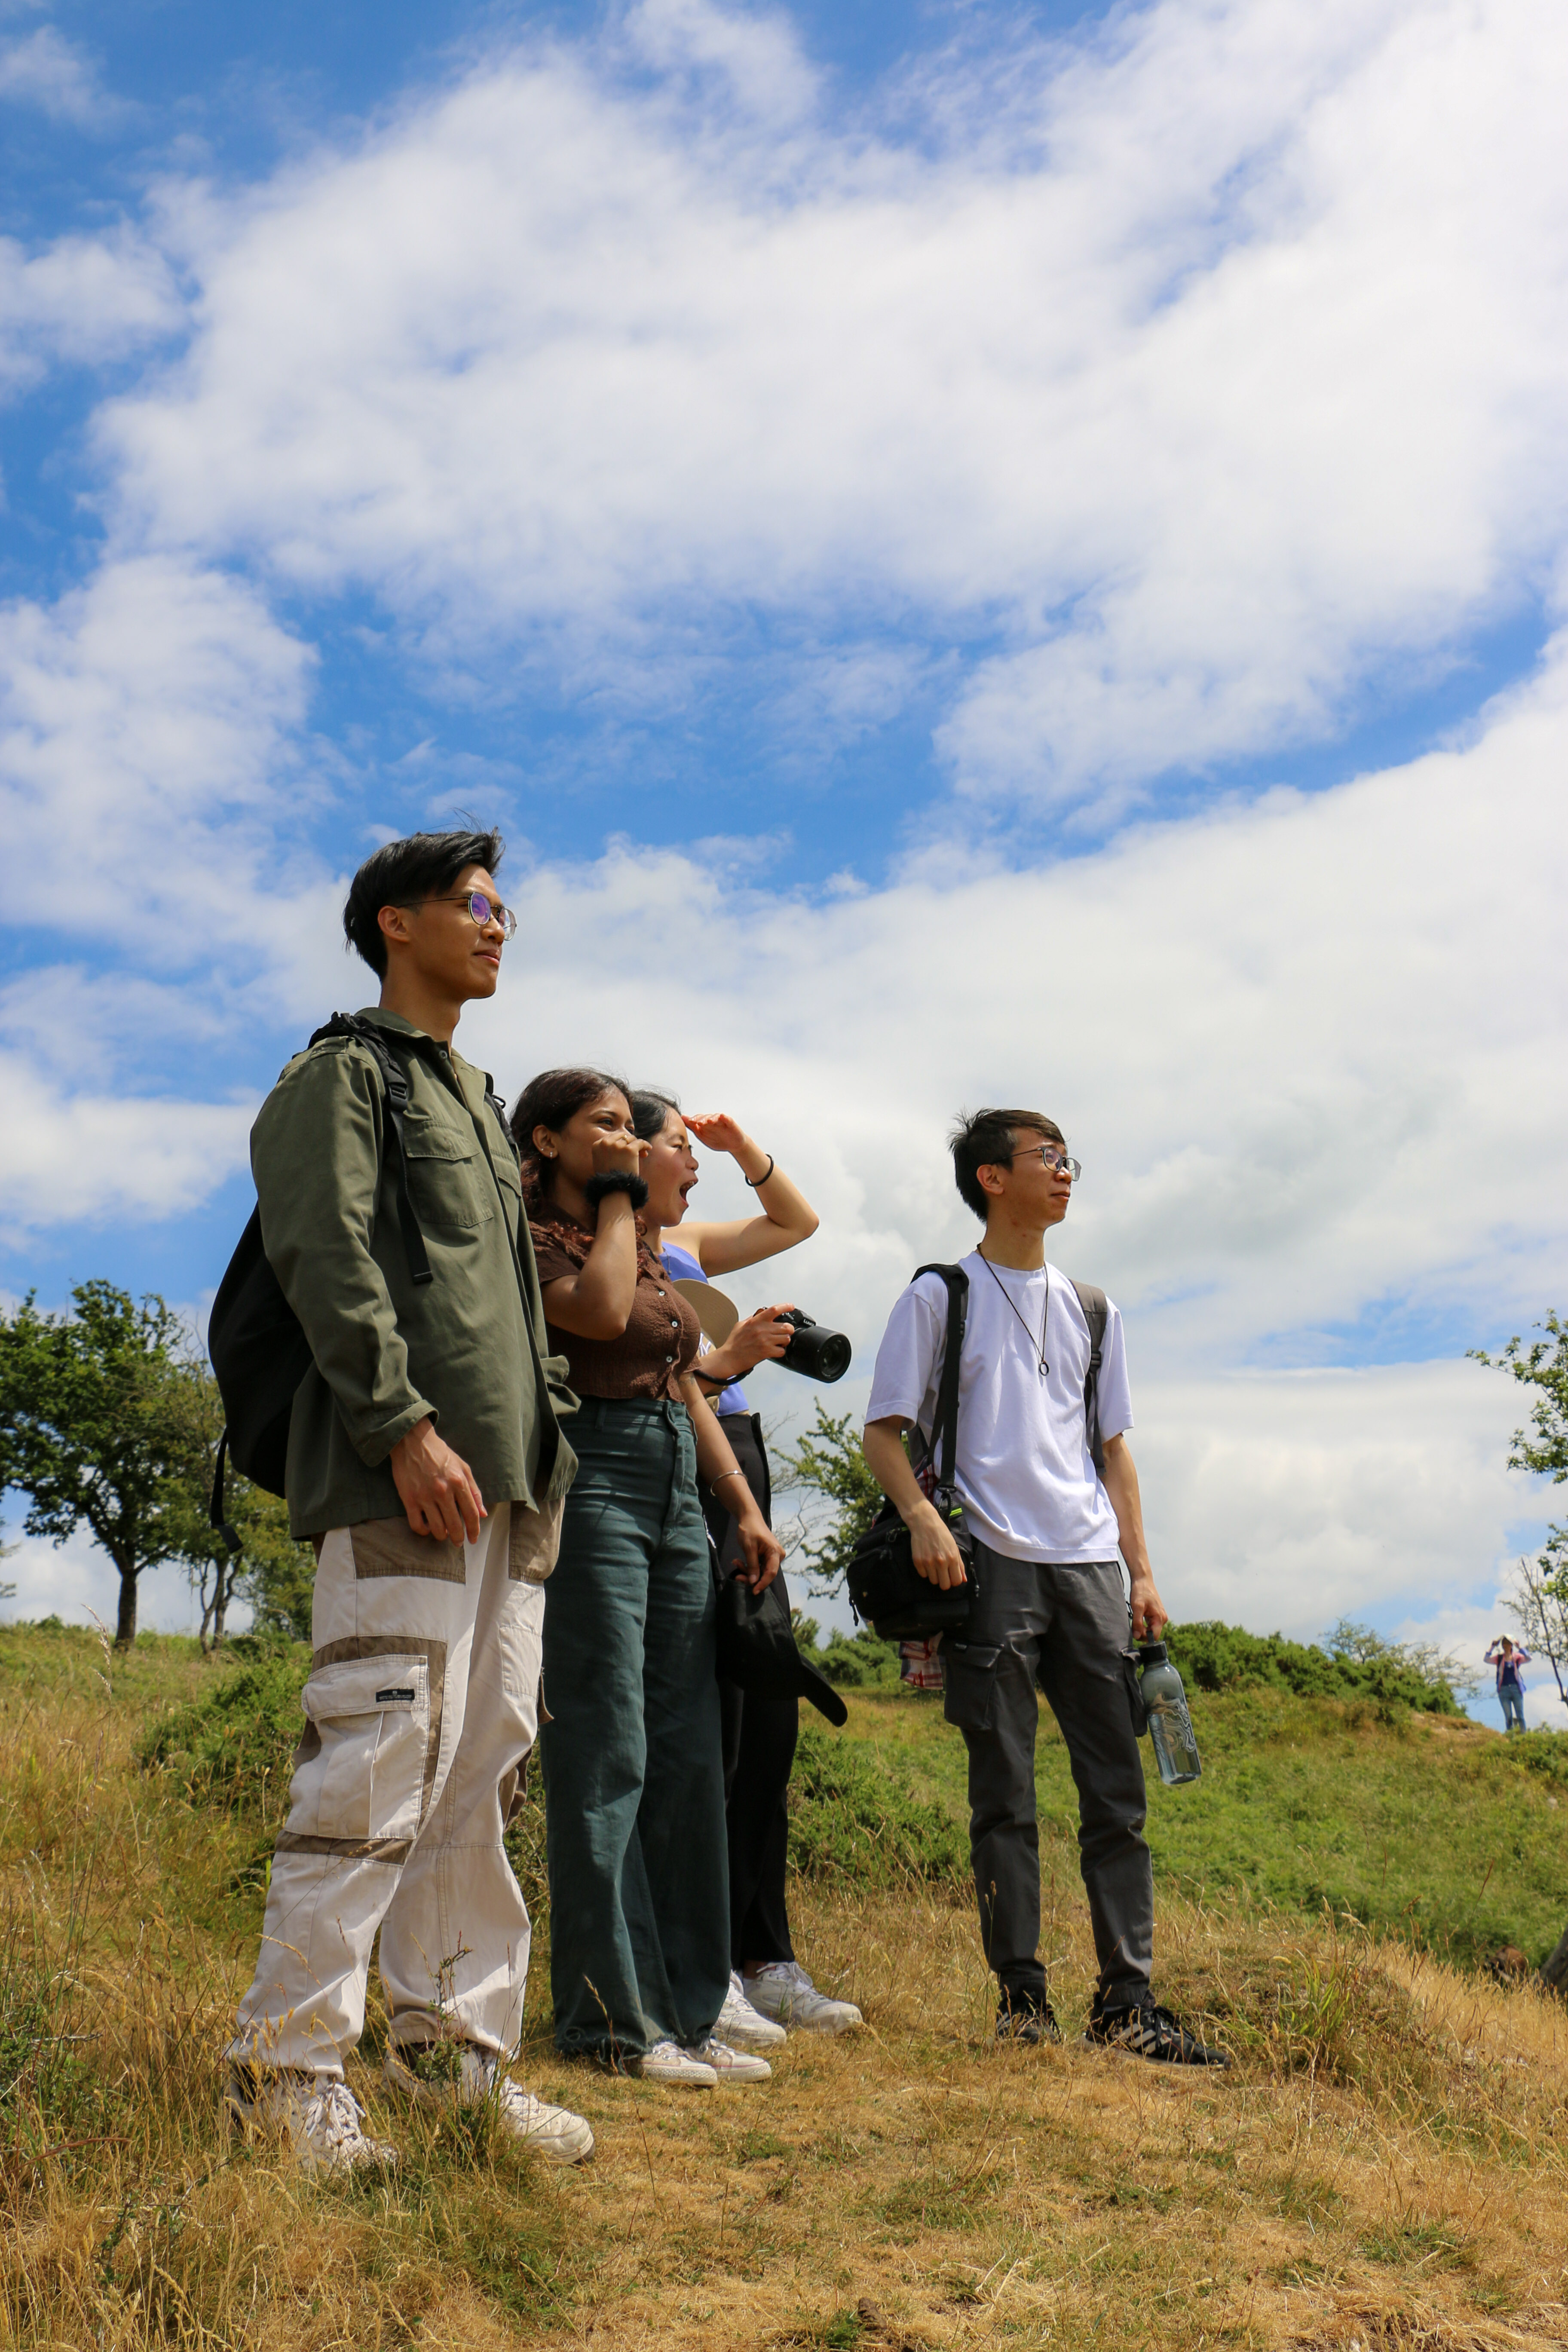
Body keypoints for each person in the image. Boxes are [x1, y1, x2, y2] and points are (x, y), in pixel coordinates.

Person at [225, 828, 594, 2173]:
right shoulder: (343, 1075)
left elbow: (517, 1314)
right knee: (375, 1766)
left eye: (504, 909)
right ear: (396, 922)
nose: (497, 924)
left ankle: (452, 2064)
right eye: (473, 903)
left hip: (512, 1498)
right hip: (404, 1480)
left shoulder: (480, 1104)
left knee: (476, 1778)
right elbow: (324, 1255)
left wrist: (547, 1452)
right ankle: (284, 2077)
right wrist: (401, 1428)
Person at [861, 1108, 1228, 2065]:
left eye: (1071, 1159)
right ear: (992, 1177)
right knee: (1004, 1793)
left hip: (1090, 1567)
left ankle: (1128, 2003)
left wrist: (1141, 1570)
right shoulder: (940, 1295)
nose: (1066, 1172)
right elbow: (882, 1432)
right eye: (1048, 1157)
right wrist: (924, 1519)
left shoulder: (1094, 1307)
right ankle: (1022, 1999)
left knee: (1118, 1794)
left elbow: (1114, 1451)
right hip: (990, 1564)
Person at [515, 1069, 786, 2089]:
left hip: (675, 1482)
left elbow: (680, 1376)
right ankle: (608, 2021)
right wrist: (624, 1199)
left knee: (686, 1750)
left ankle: (688, 2008)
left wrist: (739, 1503)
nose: (628, 1140)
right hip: (594, 1480)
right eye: (607, 1124)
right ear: (546, 1141)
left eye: (634, 1127)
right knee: (607, 1745)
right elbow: (597, 1316)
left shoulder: (634, 1239)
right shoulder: (537, 1239)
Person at [631, 1090, 864, 2043]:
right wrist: (725, 1359)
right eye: (679, 1146)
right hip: (672, 1470)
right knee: (703, 1729)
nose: (692, 1162)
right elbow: (643, 1382)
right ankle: (700, 1964)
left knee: (767, 1716)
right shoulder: (604, 1256)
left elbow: (795, 1221)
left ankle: (764, 1957)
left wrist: (742, 1149)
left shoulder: (685, 1244)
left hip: (739, 1469)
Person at [1485, 1636, 1531, 1733]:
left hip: (1516, 1689)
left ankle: (1524, 1735)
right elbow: (1486, 1660)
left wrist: (1520, 1647)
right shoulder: (1499, 1658)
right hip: (1504, 1690)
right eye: (1504, 1644)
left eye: (1508, 1644)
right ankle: (1510, 1735)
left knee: (1520, 1716)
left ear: (1511, 1645)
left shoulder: (1517, 1657)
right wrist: (1492, 1647)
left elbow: (1529, 1658)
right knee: (1508, 1716)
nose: (1506, 1646)